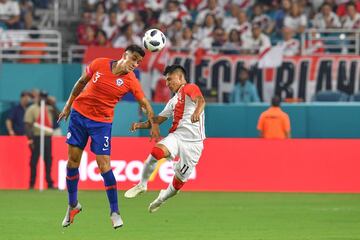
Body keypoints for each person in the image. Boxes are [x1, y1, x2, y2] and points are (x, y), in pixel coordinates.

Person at [57, 44, 160, 229]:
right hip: (79, 115)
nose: (135, 63)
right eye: (134, 58)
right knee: (72, 162)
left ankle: (114, 211)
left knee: (104, 165)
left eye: (139, 62)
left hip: (101, 124)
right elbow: (81, 82)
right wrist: (68, 105)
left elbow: (144, 102)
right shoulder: (99, 64)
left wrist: (152, 120)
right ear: (124, 55)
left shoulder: (130, 81)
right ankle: (73, 205)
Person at [124, 64, 206, 213]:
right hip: (177, 137)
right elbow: (158, 120)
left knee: (177, 185)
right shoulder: (173, 101)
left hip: (194, 145)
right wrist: (140, 125)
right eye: (166, 81)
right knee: (156, 152)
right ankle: (142, 184)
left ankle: (161, 198)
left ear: (180, 77)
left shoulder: (189, 88)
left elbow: (201, 100)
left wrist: (197, 112)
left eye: (170, 79)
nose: (167, 84)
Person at [24, 90, 55, 189]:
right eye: (42, 96)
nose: (43, 99)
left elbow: (60, 115)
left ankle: (49, 183)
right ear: (38, 97)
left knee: (48, 160)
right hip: (36, 137)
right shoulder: (32, 108)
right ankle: (31, 184)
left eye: (45, 97)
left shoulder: (49, 108)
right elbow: (28, 124)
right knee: (33, 161)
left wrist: (52, 104)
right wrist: (30, 139)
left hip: (47, 137)